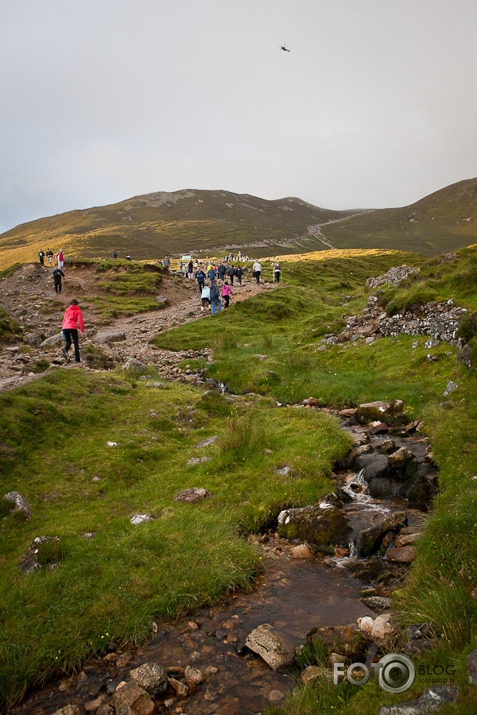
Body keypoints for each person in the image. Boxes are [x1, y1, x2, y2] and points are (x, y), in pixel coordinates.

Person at [61, 299, 84, 363]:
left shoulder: (67, 310)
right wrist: (82, 330)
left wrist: (62, 329)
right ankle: (77, 360)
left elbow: (64, 320)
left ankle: (65, 349)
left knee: (68, 341)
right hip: (73, 327)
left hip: (65, 327)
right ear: (76, 304)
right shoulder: (78, 310)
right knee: (76, 343)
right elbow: (80, 321)